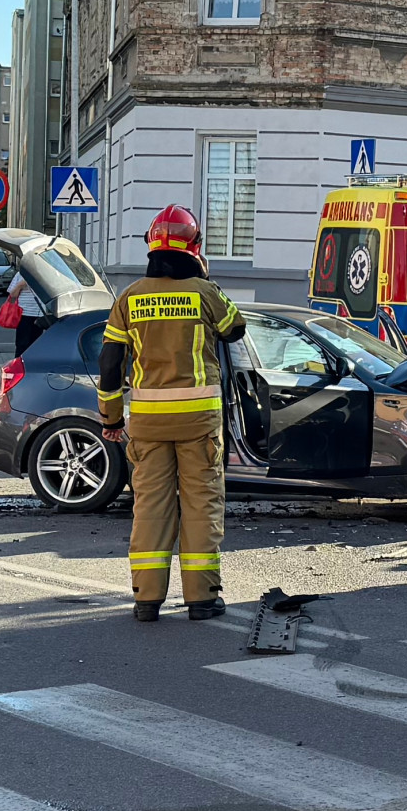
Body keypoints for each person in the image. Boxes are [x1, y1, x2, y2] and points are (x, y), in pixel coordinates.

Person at [99, 205, 247, 622]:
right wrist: (202, 274)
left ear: (151, 247)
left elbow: (110, 364)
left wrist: (110, 419)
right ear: (194, 248)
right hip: (199, 422)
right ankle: (201, 599)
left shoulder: (129, 298)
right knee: (201, 505)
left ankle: (147, 599)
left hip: (148, 422)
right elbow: (235, 329)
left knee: (150, 508)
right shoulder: (204, 293)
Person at [6, 271, 45, 358]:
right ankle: (19, 365)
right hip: (23, 313)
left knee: (36, 343)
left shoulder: (45, 273)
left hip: (39, 313)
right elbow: (12, 295)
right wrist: (20, 285)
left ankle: (33, 365)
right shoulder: (21, 274)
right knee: (22, 343)